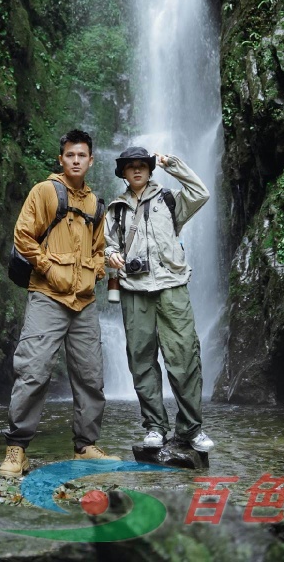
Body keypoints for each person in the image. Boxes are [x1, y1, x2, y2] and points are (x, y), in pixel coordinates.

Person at [0, 129, 117, 477]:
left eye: (82, 155)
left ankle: (85, 446)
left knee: (91, 376)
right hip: (47, 296)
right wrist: (49, 268)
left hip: (84, 302)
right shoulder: (45, 192)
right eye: (70, 155)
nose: (76, 160)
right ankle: (16, 449)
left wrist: (96, 270)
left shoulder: (97, 204)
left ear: (91, 160)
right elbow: (23, 236)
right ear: (61, 159)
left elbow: (99, 249)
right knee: (33, 371)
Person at [105, 146, 214, 453]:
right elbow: (105, 246)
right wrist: (111, 255)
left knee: (184, 358)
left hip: (172, 287)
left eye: (143, 165)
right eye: (131, 166)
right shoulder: (115, 210)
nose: (137, 170)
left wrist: (172, 164)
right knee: (141, 361)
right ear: (123, 173)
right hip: (134, 291)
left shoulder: (168, 200)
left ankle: (191, 429)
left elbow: (201, 192)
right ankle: (155, 426)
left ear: (150, 170)